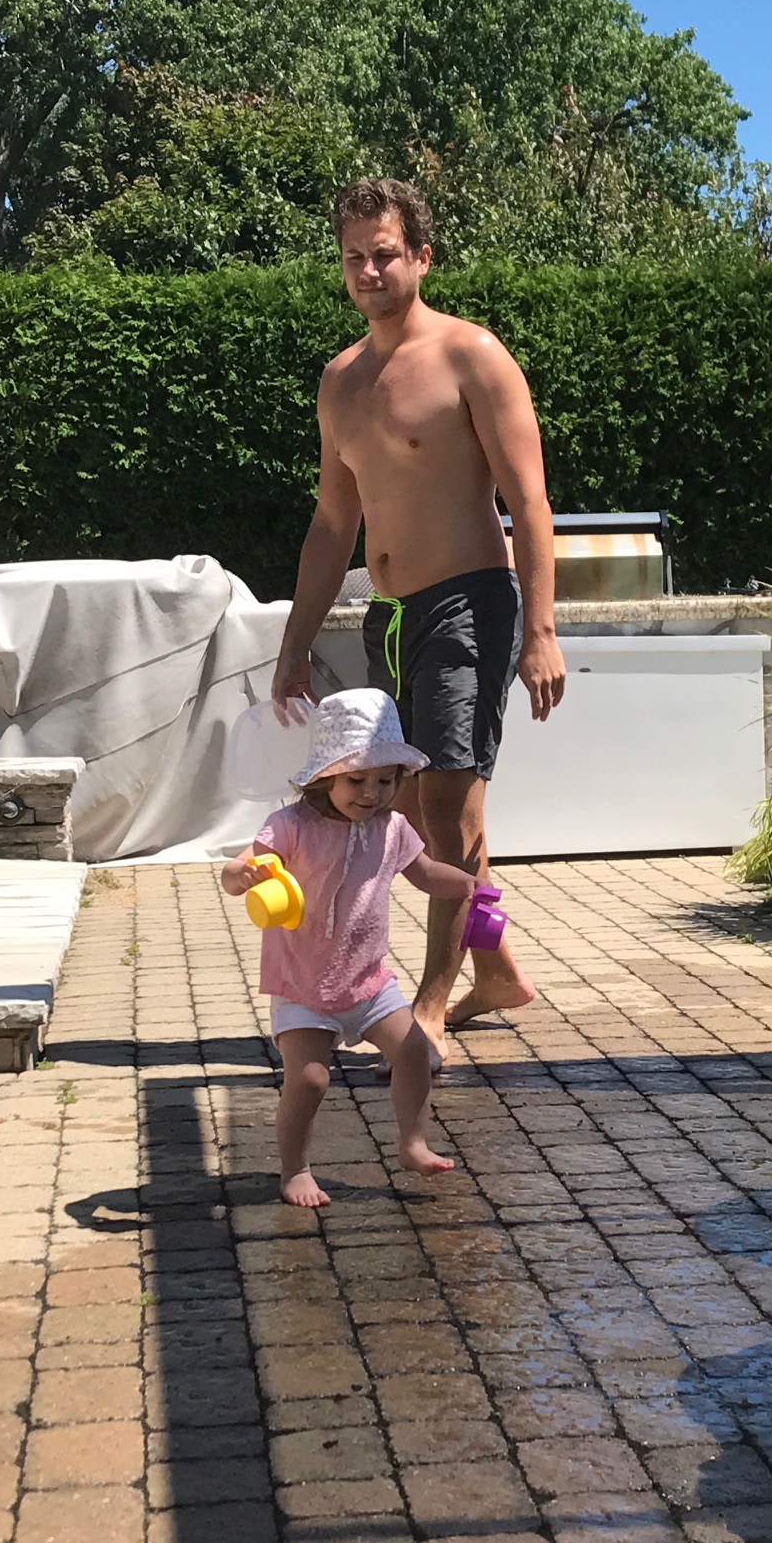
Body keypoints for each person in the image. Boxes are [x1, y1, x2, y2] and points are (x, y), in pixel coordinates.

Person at [271, 176, 567, 1065]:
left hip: (470, 603)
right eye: (354, 257)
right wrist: (293, 646)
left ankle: (429, 1004)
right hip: (391, 617)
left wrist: (541, 630)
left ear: (422, 257)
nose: (369, 271)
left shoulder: (471, 355)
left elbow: (530, 501)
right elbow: (333, 525)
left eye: (385, 254)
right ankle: (498, 970)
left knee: (443, 806)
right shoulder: (341, 381)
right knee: (420, 805)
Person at [221, 689, 478, 1207]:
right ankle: (295, 1169)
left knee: (415, 1052)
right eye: (356, 780)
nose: (372, 793)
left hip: (369, 982)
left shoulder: (392, 828)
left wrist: (469, 884)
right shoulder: (292, 826)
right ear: (325, 778)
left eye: (386, 780)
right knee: (310, 1079)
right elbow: (239, 869)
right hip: (302, 985)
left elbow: (426, 874)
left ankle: (412, 1142)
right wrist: (239, 875)